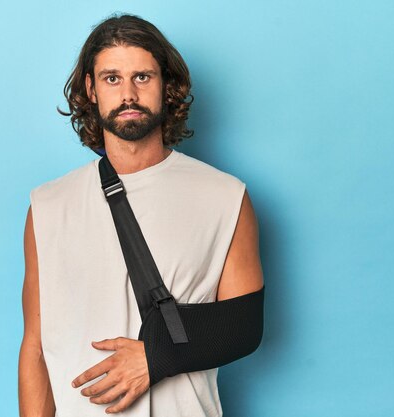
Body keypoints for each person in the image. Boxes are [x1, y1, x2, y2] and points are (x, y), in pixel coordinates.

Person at [18, 14, 264, 416]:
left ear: (166, 86)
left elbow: (244, 328)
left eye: (143, 77)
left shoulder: (225, 196)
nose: (128, 93)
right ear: (91, 89)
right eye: (112, 78)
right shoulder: (48, 206)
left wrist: (155, 358)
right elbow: (35, 347)